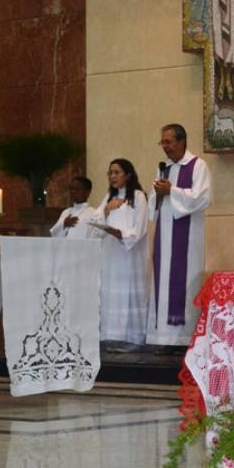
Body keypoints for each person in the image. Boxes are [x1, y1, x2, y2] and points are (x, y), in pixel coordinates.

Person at [148, 124, 211, 352]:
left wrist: (171, 191)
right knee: (162, 284)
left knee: (184, 283)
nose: (165, 147)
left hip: (187, 237)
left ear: (182, 141)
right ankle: (164, 338)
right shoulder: (163, 169)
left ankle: (184, 338)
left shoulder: (198, 166)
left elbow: (203, 197)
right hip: (164, 236)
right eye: (162, 142)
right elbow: (153, 204)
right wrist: (158, 195)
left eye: (169, 142)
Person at [91, 160, 149, 352]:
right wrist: (107, 209)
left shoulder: (138, 197)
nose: (113, 176)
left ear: (128, 175)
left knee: (128, 293)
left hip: (129, 256)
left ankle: (132, 338)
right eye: (110, 173)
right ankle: (110, 337)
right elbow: (96, 225)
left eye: (117, 172)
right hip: (111, 255)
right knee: (111, 294)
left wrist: (122, 235)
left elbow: (140, 228)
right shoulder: (109, 197)